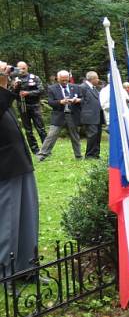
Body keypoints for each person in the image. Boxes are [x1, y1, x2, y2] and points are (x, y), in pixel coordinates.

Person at [0, 62, 39, 274]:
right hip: (5, 168)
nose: (8, 70)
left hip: (20, 163)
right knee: (8, 223)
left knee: (27, 218)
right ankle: (6, 272)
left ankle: (27, 267)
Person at [37, 70, 82, 161]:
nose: (65, 82)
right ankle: (42, 155)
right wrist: (60, 102)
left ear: (69, 78)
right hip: (59, 115)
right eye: (62, 80)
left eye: (66, 80)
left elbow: (82, 98)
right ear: (58, 79)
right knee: (51, 135)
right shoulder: (52, 88)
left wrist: (77, 100)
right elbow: (50, 102)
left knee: (75, 136)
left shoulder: (76, 87)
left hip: (72, 115)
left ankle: (78, 156)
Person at [11, 61, 46, 155]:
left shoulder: (34, 78)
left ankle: (46, 148)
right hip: (22, 106)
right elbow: (11, 94)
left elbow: (41, 90)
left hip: (35, 105)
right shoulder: (14, 79)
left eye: (23, 68)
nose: (22, 70)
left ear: (27, 67)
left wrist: (28, 93)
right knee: (28, 129)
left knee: (40, 128)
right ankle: (35, 150)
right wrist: (15, 87)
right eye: (19, 68)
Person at [79, 71, 103, 159]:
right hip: (89, 115)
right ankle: (89, 155)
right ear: (92, 79)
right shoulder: (82, 87)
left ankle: (96, 154)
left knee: (97, 135)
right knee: (92, 135)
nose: (98, 80)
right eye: (97, 78)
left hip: (97, 115)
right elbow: (80, 100)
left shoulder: (94, 88)